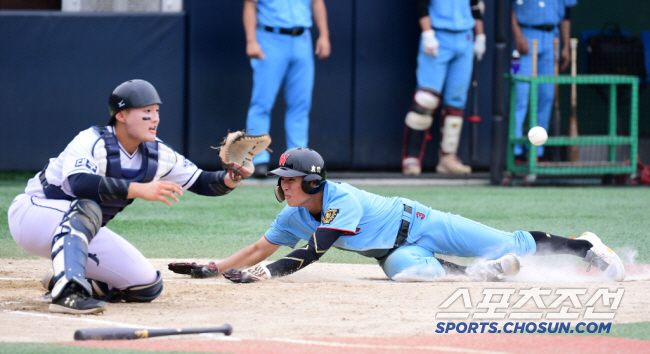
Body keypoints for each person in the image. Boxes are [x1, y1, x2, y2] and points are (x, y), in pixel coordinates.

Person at [170, 148, 626, 284]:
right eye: (283, 178)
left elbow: (314, 252)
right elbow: (257, 248)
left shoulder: (339, 198)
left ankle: (586, 246)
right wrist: (215, 269)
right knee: (409, 275)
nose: (283, 184)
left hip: (422, 221)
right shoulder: (291, 215)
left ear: (313, 182)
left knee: (508, 243)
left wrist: (265, 274)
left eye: (291, 179)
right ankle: (477, 275)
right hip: (395, 251)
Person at [7, 79, 266, 315]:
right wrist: (139, 189)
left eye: (156, 112)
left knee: (146, 286)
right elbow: (81, 183)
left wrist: (233, 176)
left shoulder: (157, 153)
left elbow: (203, 182)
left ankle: (62, 280)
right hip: (33, 216)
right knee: (87, 207)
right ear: (121, 115)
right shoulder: (91, 140)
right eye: (146, 113)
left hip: (80, 230)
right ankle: (68, 293)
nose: (155, 119)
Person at [243, 0, 331, 177]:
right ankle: (258, 159)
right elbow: (250, 5)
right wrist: (251, 40)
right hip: (270, 37)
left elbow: (317, 2)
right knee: (262, 103)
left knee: (301, 104)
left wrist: (324, 35)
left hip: (302, 38)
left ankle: (297, 161)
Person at [401, 0, 486, 175]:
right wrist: (427, 33)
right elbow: (421, 4)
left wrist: (480, 36)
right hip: (438, 35)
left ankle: (448, 158)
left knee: (456, 101)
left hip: (465, 37)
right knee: (426, 99)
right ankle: (412, 157)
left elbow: (476, 6)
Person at [511, 0, 577, 161]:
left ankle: (536, 151)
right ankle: (516, 152)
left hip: (551, 38)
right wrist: (517, 34)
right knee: (520, 96)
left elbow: (566, 14)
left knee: (547, 96)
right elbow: (508, 9)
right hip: (525, 34)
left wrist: (566, 46)